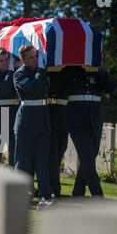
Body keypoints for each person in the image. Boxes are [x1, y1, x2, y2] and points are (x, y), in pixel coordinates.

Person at [64, 66, 117, 198]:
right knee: (87, 160)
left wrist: (96, 71)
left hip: (95, 120)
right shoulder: (69, 71)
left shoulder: (99, 71)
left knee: (89, 158)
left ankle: (77, 193)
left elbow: (111, 87)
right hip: (76, 121)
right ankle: (98, 196)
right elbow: (59, 87)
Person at [13, 44, 52, 210]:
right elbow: (34, 88)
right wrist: (41, 70)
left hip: (43, 120)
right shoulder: (19, 74)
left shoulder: (42, 72)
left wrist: (43, 70)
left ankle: (44, 196)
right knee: (23, 162)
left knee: (42, 162)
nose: (35, 60)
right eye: (31, 57)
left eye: (36, 56)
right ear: (23, 60)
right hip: (26, 122)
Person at [47, 71, 69, 200]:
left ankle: (52, 187)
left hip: (62, 117)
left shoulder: (68, 71)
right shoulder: (43, 70)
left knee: (59, 153)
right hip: (47, 115)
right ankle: (53, 188)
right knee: (52, 156)